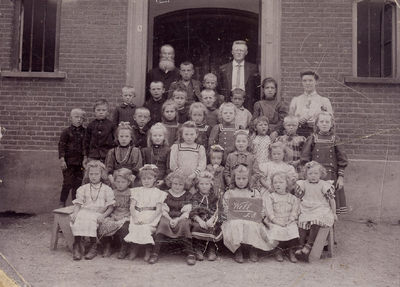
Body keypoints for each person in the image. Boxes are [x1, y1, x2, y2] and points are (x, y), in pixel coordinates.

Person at [222, 164, 276, 263]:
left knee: (253, 224)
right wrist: (229, 213)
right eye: (238, 178)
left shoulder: (254, 192)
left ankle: (253, 248)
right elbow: (225, 209)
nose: (241, 181)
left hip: (251, 219)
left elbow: (261, 208)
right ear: (234, 179)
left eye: (244, 178)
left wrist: (260, 213)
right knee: (235, 224)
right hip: (235, 219)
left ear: (248, 179)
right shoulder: (230, 193)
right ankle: (238, 250)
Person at [300, 111, 348, 215]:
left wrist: (341, 178)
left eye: (327, 121)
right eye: (321, 121)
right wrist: (306, 176)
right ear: (317, 123)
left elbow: (342, 160)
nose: (324, 124)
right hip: (314, 176)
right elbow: (305, 157)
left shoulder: (336, 139)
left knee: (331, 207)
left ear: (332, 124)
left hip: (331, 176)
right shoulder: (312, 138)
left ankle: (330, 230)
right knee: (314, 206)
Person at [70, 161, 115, 260]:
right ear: (88, 174)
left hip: (98, 213)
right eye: (91, 174)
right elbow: (78, 204)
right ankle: (76, 245)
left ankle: (93, 246)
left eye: (96, 174)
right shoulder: (83, 188)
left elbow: (110, 207)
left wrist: (103, 216)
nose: (93, 176)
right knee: (78, 218)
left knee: (91, 220)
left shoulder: (107, 189)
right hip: (84, 211)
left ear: (101, 174)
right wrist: (75, 213)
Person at [150, 171, 195, 265]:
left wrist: (178, 219)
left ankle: (190, 253)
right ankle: (155, 253)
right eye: (175, 183)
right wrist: (170, 219)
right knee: (163, 223)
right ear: (170, 183)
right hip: (167, 216)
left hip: (182, 218)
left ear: (185, 185)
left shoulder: (187, 195)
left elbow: (187, 212)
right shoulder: (165, 194)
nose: (177, 186)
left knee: (185, 224)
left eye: (180, 184)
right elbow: (163, 210)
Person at [124, 165, 167, 261]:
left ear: (155, 179)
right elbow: (132, 206)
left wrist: (149, 220)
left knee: (145, 228)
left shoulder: (159, 192)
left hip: (151, 215)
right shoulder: (137, 191)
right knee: (134, 227)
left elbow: (158, 209)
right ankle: (134, 248)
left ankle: (148, 249)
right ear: (140, 180)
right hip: (137, 213)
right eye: (144, 179)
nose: (146, 181)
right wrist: (135, 218)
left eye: (149, 178)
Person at [294, 161, 337, 256]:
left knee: (316, 220)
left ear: (321, 174)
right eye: (310, 173)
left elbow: (331, 200)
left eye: (316, 173)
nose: (313, 176)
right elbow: (298, 198)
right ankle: (300, 245)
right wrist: (297, 209)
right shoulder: (303, 184)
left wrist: (334, 213)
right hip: (306, 207)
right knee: (301, 221)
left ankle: (309, 244)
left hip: (320, 208)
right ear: (306, 174)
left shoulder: (324, 185)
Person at [263, 171, 300, 263]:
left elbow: (295, 211)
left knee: (293, 229)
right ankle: (278, 250)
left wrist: (290, 220)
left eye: (281, 182)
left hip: (288, 220)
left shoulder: (292, 198)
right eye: (275, 183)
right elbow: (269, 212)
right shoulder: (271, 197)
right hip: (274, 220)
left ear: (287, 184)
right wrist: (276, 221)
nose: (277, 185)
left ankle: (291, 251)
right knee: (276, 230)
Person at [98, 168, 133, 259]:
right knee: (104, 223)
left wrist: (127, 215)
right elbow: (108, 205)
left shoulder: (131, 192)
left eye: (123, 182)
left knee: (125, 226)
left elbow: (132, 206)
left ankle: (124, 247)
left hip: (126, 214)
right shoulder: (112, 192)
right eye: (118, 182)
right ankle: (107, 246)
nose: (120, 184)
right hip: (114, 213)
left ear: (128, 182)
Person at [289, 70, 333, 137]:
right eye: (304, 81)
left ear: (316, 82)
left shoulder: (323, 101)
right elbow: (289, 120)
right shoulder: (296, 100)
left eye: (310, 80)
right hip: (298, 135)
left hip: (317, 135)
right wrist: (297, 120)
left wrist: (317, 121)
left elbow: (331, 121)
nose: (307, 83)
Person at [218, 40, 259, 112]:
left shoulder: (253, 68)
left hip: (247, 103)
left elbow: (256, 89)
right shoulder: (223, 69)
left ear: (246, 52)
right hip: (229, 102)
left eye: (241, 50)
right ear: (232, 52)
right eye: (236, 50)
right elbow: (220, 87)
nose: (239, 52)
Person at [190, 171, 222, 262]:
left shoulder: (214, 197)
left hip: (210, 219)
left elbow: (218, 210)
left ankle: (211, 249)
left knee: (213, 226)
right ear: (198, 185)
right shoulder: (195, 197)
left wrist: (211, 220)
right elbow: (193, 211)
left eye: (207, 184)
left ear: (211, 185)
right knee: (196, 226)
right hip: (198, 219)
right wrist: (200, 221)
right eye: (201, 184)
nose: (204, 186)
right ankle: (198, 248)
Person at [58, 108, 86, 207]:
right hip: (68, 163)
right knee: (67, 183)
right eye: (76, 117)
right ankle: (62, 203)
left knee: (77, 185)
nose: (79, 119)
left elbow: (85, 147)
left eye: (81, 118)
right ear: (71, 118)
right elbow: (61, 146)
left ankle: (75, 205)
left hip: (80, 164)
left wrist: (85, 159)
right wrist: (62, 160)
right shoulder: (66, 132)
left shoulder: (85, 132)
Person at [104, 122, 142, 188]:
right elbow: (108, 169)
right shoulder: (112, 152)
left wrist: (128, 182)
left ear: (131, 138)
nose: (124, 139)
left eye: (127, 136)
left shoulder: (135, 151)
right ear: (117, 137)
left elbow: (137, 168)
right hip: (115, 181)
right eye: (121, 136)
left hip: (130, 180)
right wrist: (114, 182)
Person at [83, 99, 116, 165]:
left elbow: (115, 141)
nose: (101, 112)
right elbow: (86, 142)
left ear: (107, 112)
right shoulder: (91, 125)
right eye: (98, 110)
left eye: (103, 110)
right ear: (94, 112)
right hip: (93, 155)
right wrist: (85, 156)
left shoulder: (111, 125)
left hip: (107, 155)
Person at [141, 123, 171, 190]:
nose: (157, 137)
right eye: (155, 135)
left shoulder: (168, 150)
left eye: (160, 135)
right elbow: (142, 167)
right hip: (147, 180)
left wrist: (164, 180)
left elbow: (168, 168)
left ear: (164, 137)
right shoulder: (145, 150)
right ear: (151, 137)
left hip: (162, 180)